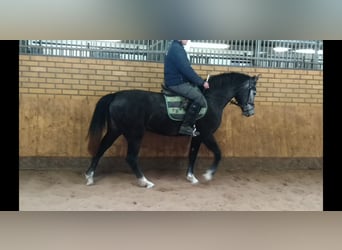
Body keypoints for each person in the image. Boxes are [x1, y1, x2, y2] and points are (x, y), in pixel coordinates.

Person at [164, 40, 210, 136]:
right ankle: (186, 126)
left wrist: (196, 81)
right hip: (176, 82)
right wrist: (201, 82)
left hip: (176, 80)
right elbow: (186, 69)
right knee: (199, 98)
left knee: (195, 90)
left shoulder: (175, 47)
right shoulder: (177, 49)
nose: (188, 39)